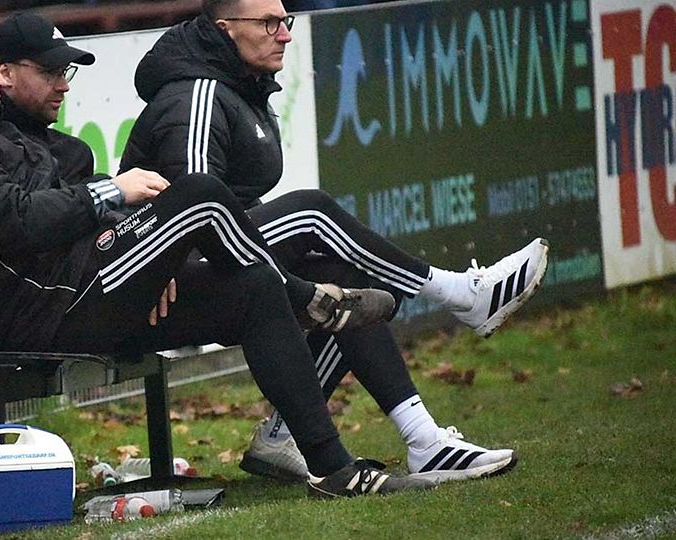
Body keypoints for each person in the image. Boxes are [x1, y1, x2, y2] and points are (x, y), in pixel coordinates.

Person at [0, 15, 432, 497]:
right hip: (46, 310)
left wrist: (154, 257)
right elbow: (14, 219)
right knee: (199, 191)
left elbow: (52, 205)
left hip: (82, 287)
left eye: (0, 66)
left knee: (251, 289)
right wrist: (113, 192)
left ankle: (333, 468)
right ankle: (312, 299)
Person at [120, 0, 548, 483]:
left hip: (215, 258)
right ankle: (461, 294)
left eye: (286, 21)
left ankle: (418, 440)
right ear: (226, 30)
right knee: (310, 212)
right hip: (169, 278)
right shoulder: (196, 94)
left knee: (346, 283)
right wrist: (159, 270)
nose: (283, 34)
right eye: (268, 23)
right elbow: (193, 212)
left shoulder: (240, 87)